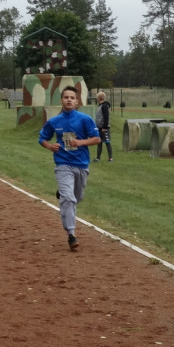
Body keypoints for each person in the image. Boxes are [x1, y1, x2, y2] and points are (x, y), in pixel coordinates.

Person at [38, 85, 101, 251]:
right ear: (61, 100)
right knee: (69, 199)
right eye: (66, 97)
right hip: (63, 164)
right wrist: (49, 146)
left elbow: (96, 139)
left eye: (72, 98)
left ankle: (63, 193)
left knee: (76, 197)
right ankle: (71, 234)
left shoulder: (84, 119)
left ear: (77, 101)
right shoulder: (54, 121)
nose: (69, 100)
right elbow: (42, 138)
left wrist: (80, 142)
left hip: (81, 165)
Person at [94, 91, 113, 162]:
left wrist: (104, 127)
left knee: (107, 142)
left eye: (97, 97)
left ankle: (110, 158)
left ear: (99, 98)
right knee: (99, 142)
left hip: (104, 128)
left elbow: (106, 117)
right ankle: (98, 158)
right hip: (99, 128)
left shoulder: (104, 106)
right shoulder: (99, 106)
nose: (96, 99)